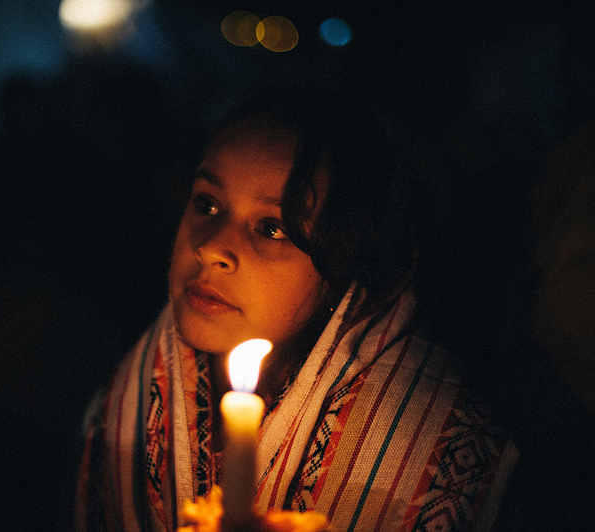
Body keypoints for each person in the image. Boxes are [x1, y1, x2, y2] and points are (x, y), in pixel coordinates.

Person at [74, 87, 519, 532]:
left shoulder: (440, 448)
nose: (210, 249)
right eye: (207, 204)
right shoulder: (126, 397)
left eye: (271, 228)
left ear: (345, 268)